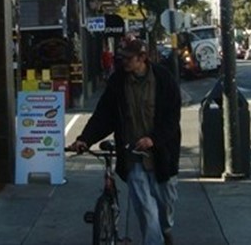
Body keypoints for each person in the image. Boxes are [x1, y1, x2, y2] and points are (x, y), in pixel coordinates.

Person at [70, 38, 182, 245]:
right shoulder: (118, 82)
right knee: (147, 212)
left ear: (142, 58)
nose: (124, 62)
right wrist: (84, 139)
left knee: (165, 207)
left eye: (128, 58)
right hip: (132, 156)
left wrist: (153, 139)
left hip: (162, 156)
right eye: (121, 58)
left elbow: (172, 119)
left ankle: (165, 231)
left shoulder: (163, 79)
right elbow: (104, 115)